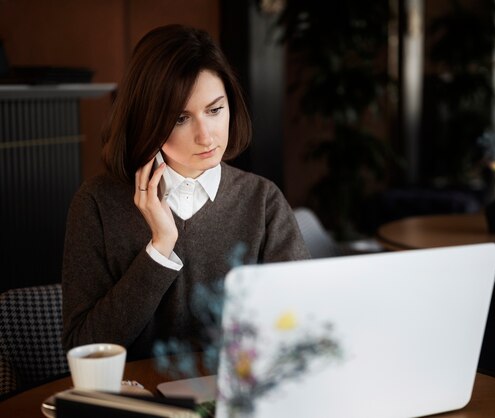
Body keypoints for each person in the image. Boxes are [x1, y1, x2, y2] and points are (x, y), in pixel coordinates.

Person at [62, 24, 310, 360]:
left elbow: (303, 328)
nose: (206, 136)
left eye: (214, 110)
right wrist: (160, 248)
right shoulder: (97, 203)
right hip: (135, 406)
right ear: (147, 120)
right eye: (181, 118)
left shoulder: (262, 201)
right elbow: (83, 349)